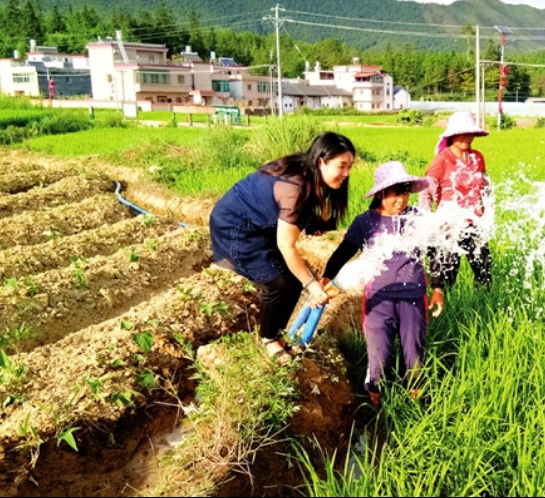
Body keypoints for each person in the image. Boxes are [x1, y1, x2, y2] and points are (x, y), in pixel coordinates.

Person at [209, 131, 356, 363]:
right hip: (236, 229)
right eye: (341, 166)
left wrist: (309, 222)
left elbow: (287, 210)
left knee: (292, 281)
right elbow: (286, 245)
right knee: (278, 282)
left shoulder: (307, 172)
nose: (346, 173)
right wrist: (312, 285)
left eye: (350, 166)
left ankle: (276, 335)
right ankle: (268, 339)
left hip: (258, 225)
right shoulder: (295, 186)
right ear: (321, 162)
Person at [322, 161, 445, 408]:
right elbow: (345, 251)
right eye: (394, 193)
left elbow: (435, 252)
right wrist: (325, 279)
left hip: (413, 296)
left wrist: (438, 289)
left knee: (415, 354)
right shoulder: (366, 221)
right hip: (378, 299)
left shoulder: (416, 218)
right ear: (381, 193)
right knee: (379, 357)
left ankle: (415, 405)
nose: (401, 200)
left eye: (405, 193)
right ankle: (376, 404)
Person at [419, 111, 492, 289]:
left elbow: (485, 186)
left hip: (474, 223)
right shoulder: (442, 160)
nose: (467, 137)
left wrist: (488, 214)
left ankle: (483, 306)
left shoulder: (477, 157)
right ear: (452, 135)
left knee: (484, 272)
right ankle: (446, 309)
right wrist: (429, 222)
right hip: (449, 225)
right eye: (462, 133)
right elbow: (425, 193)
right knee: (447, 276)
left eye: (470, 133)